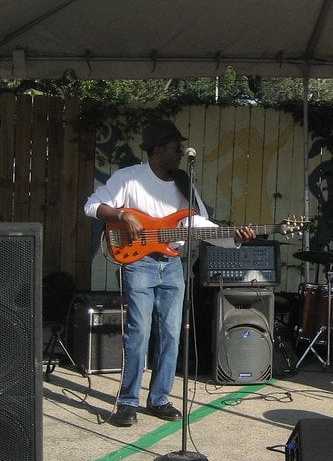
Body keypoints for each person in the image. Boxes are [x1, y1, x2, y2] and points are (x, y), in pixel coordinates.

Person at [84, 120, 256, 427]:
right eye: (176, 147)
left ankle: (160, 398)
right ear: (158, 149)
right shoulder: (129, 178)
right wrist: (121, 214)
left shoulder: (182, 182)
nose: (180, 153)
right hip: (137, 262)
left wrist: (234, 238)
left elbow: (198, 224)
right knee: (138, 332)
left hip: (171, 264)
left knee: (172, 333)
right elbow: (92, 205)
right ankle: (127, 402)